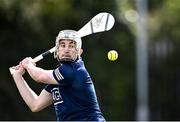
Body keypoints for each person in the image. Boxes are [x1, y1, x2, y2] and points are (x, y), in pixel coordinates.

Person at [10, 30, 106, 121]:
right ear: (57, 50)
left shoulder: (74, 70)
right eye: (63, 45)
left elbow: (39, 77)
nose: (66, 50)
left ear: (79, 52)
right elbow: (35, 105)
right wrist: (17, 76)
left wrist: (28, 64)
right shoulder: (58, 78)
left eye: (71, 46)